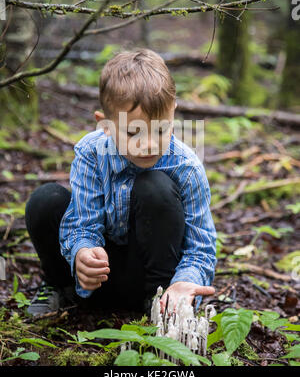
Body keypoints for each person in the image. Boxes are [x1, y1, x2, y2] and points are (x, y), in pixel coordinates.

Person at [25, 48, 217, 317]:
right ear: (105, 126)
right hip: (96, 280)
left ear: (173, 112)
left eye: (161, 129)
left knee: (155, 187)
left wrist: (186, 281)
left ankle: (157, 303)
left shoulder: (185, 167)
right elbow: (82, 223)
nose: (149, 143)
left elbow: (201, 247)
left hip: (147, 282)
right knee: (45, 200)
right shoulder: (91, 153)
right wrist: (83, 252)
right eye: (133, 132)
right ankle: (59, 286)